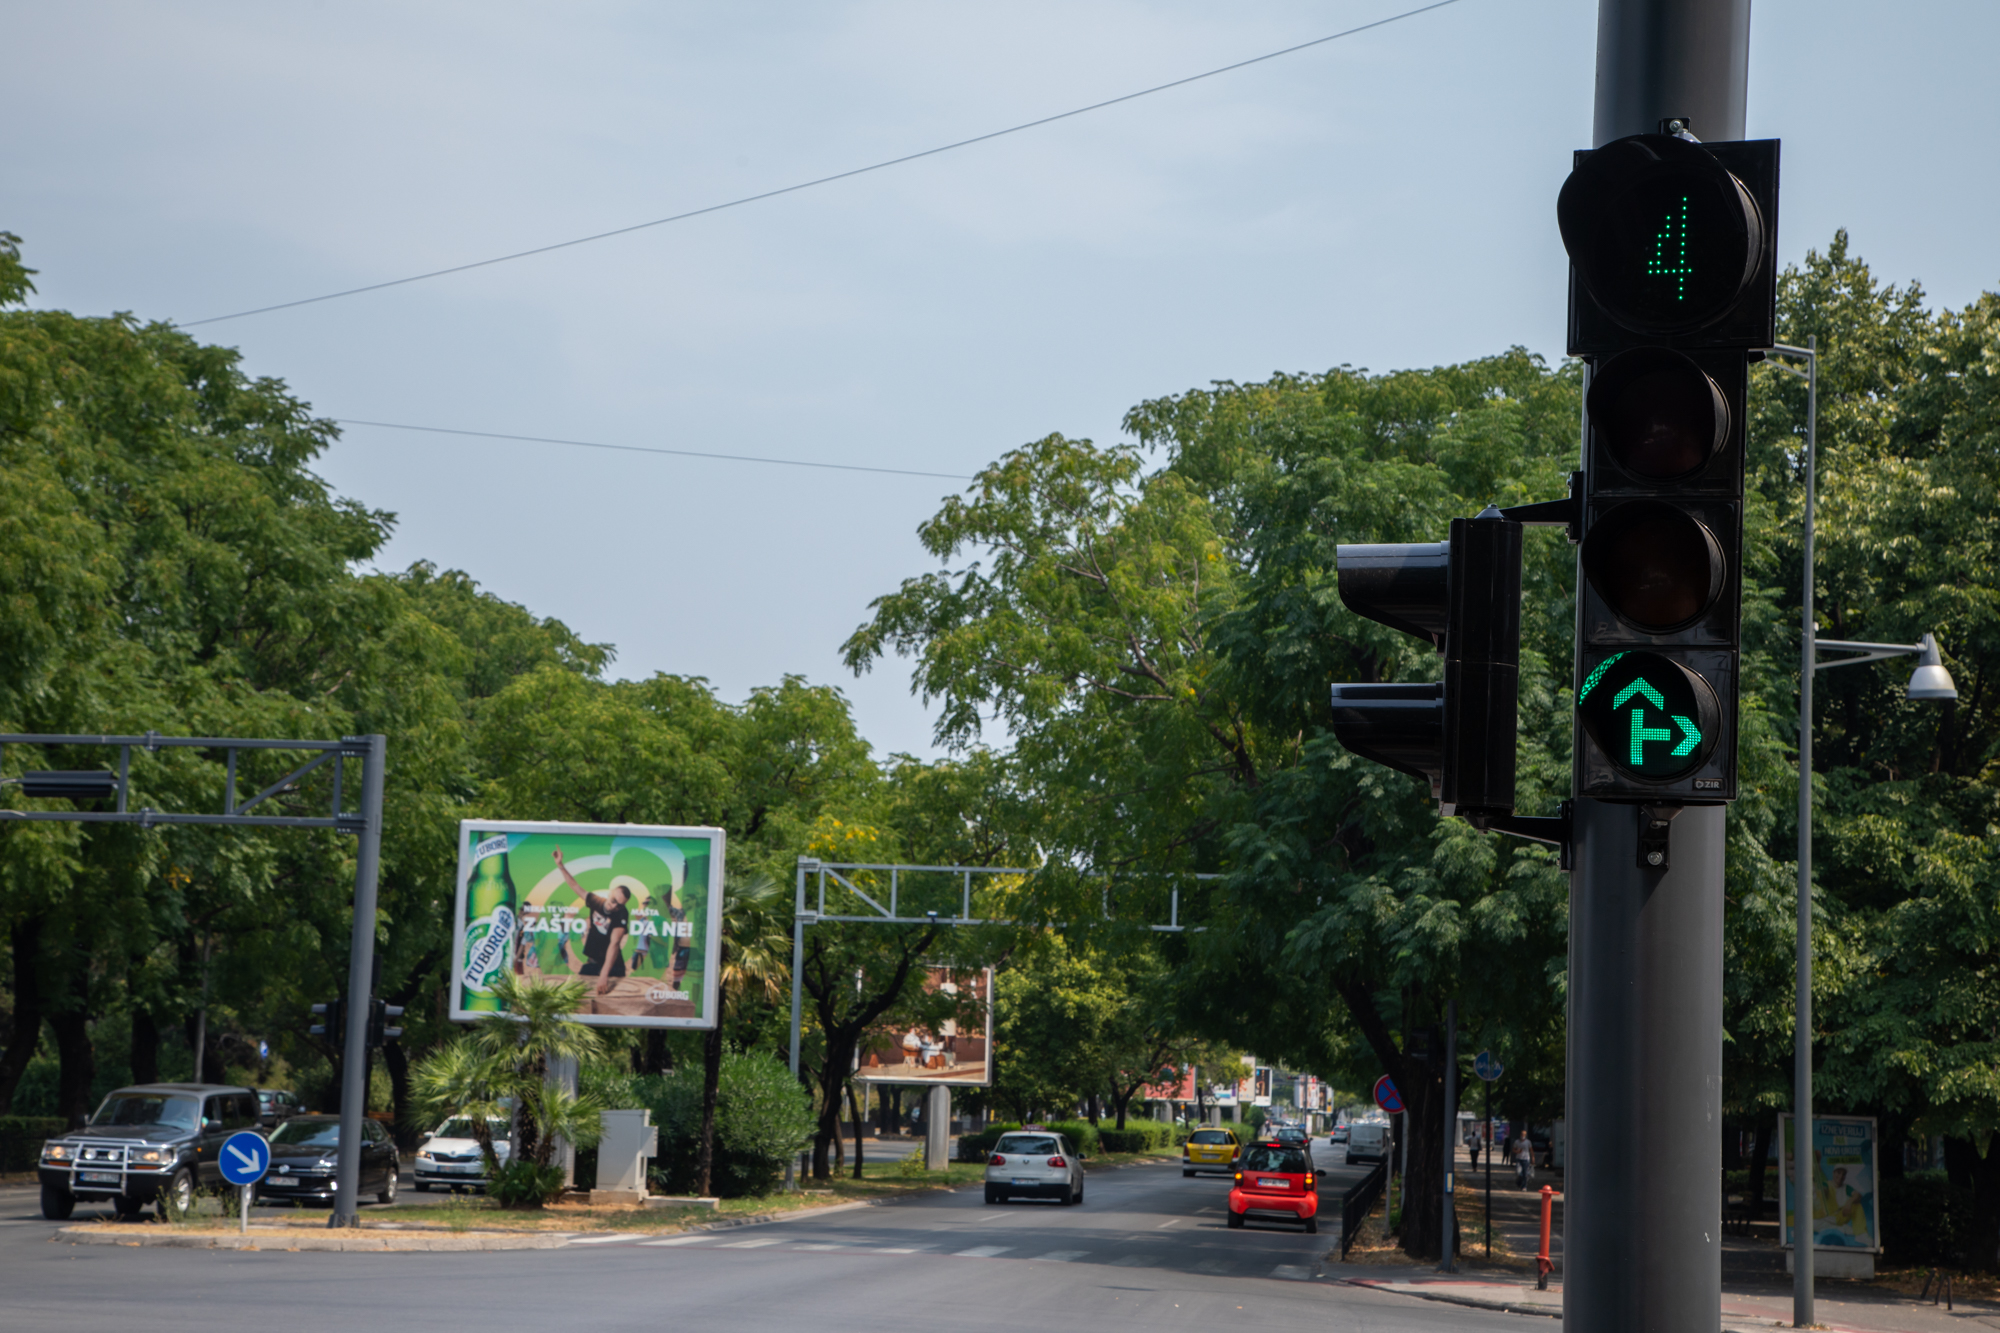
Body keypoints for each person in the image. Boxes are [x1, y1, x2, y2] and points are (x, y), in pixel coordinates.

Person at [551, 845, 634, 996]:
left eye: (619, 904)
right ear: (610, 893)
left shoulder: (622, 913)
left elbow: (615, 943)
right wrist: (560, 866)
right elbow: (575, 886)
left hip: (613, 967)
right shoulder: (596, 901)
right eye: (614, 900)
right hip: (593, 962)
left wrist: (604, 975)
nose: (614, 905)